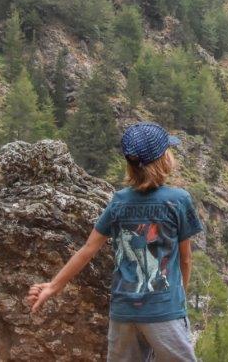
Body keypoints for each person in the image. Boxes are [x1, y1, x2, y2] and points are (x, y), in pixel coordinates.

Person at [26, 122, 204, 361]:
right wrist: (178, 299)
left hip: (123, 312)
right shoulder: (179, 200)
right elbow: (185, 258)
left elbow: (87, 250)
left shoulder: (119, 202)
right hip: (164, 311)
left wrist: (53, 286)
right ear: (163, 160)